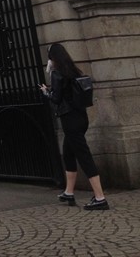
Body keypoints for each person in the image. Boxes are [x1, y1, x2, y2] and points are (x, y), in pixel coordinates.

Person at [40, 43, 108, 210]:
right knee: (68, 155)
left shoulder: (57, 73)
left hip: (70, 121)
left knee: (84, 157)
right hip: (81, 118)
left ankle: (100, 197)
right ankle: (69, 192)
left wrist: (45, 92)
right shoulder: (72, 70)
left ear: (52, 57)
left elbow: (56, 99)